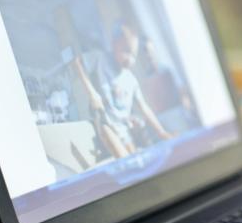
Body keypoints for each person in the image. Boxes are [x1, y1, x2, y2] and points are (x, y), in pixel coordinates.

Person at [73, 20, 173, 159]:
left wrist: (161, 132)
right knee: (124, 158)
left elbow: (144, 107)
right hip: (105, 123)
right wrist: (92, 93)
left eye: (134, 55)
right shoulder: (100, 58)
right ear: (114, 44)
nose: (130, 59)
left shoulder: (131, 80)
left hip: (125, 129)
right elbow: (77, 62)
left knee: (137, 157)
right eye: (126, 51)